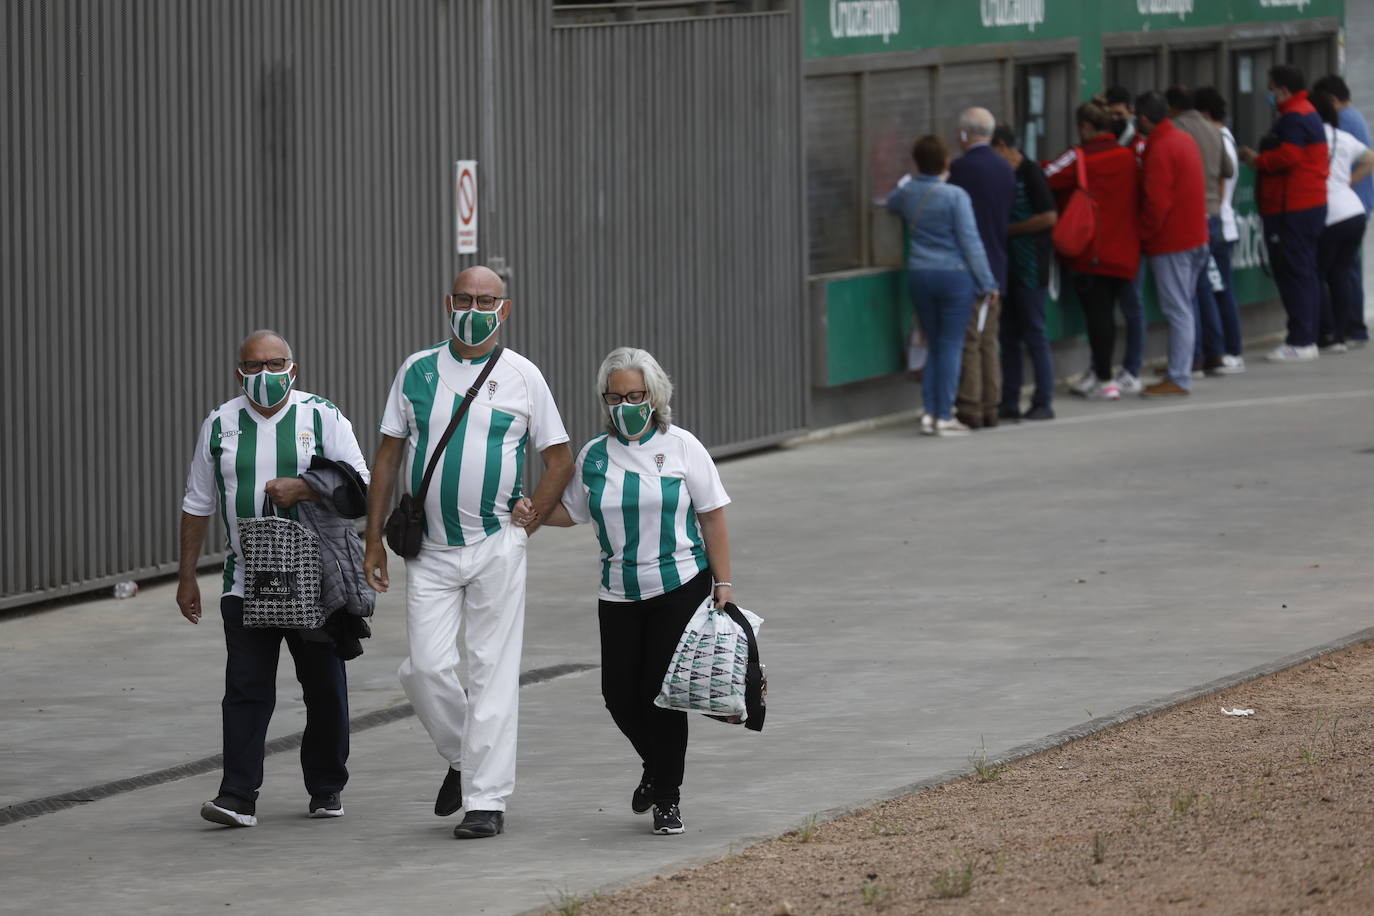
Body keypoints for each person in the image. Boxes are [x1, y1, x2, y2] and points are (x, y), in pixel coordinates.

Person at [363, 265, 574, 839]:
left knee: (491, 673)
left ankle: (487, 800)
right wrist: (372, 539)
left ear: (504, 310)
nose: (474, 309)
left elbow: (559, 456)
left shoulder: (522, 376)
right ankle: (463, 757)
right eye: (464, 298)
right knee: (426, 667)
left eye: (486, 301)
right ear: (447, 302)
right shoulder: (416, 370)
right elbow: (386, 456)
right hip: (427, 549)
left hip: (495, 545)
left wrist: (530, 520)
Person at [520, 347, 734, 836]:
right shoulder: (593, 455)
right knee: (618, 695)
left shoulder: (682, 446)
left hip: (680, 584)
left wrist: (724, 583)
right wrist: (526, 510)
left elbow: (713, 513)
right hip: (618, 591)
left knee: (662, 696)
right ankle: (656, 766)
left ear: (654, 396)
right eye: (614, 396)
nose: (624, 405)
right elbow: (568, 511)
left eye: (635, 395)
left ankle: (667, 797)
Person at [178, 330, 371, 828]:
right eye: (254, 366)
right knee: (245, 688)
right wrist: (186, 577)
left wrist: (305, 488)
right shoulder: (219, 424)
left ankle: (326, 787)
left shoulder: (321, 416)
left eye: (275, 363)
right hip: (245, 581)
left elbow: (362, 486)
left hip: (314, 584)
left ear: (294, 367)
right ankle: (237, 796)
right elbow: (198, 504)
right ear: (238, 371)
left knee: (324, 687)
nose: (265, 375)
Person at [886, 135, 999, 437]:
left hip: (920, 273)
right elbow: (971, 243)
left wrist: (907, 181)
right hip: (954, 276)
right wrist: (988, 282)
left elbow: (891, 202)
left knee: (933, 345)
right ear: (946, 162)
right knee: (951, 346)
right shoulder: (955, 196)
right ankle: (944, 413)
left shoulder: (908, 192)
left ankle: (929, 412)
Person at [1044, 103, 1141, 401]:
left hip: (1092, 251)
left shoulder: (1080, 157)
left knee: (1098, 316)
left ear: (1086, 126)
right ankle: (1103, 373)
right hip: (1125, 250)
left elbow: (1046, 175)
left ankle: (1104, 379)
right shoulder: (1128, 156)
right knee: (1115, 313)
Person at [1239, 65, 1329, 363]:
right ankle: (1306, 337)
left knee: (1295, 272)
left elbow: (1290, 155)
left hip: (1293, 206)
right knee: (1305, 272)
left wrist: (1258, 159)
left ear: (1283, 90)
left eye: (1271, 87)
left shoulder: (1294, 117)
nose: (1269, 93)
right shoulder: (1306, 111)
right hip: (1308, 203)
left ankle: (1301, 340)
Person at [1135, 90, 1209, 397]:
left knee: (1178, 310)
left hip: (1172, 242)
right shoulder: (1182, 139)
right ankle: (1180, 368)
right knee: (1185, 308)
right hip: (1195, 236)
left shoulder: (1160, 147)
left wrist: (1141, 234)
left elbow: (1157, 202)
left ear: (1142, 118)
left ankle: (1179, 377)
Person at [948, 107, 1017, 429]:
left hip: (969, 267)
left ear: (964, 135)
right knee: (989, 339)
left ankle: (970, 405)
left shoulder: (961, 170)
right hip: (998, 262)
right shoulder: (1006, 168)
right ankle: (992, 404)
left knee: (969, 341)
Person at [991, 124, 1058, 421]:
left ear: (1004, 147)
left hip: (1031, 265)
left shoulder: (1030, 173)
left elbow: (1048, 217)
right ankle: (1010, 399)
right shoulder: (999, 176)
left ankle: (1043, 399)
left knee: (1034, 332)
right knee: (1008, 335)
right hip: (1007, 267)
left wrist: (1009, 231)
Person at [1167, 86, 1235, 375]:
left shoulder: (1174, 130)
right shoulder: (1212, 130)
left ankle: (1192, 358)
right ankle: (1214, 353)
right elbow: (1228, 170)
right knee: (1206, 286)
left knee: (1188, 291)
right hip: (1213, 214)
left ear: (1172, 108)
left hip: (1189, 216)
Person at [1311, 89, 1374, 353]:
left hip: (1329, 215)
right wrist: (1348, 182)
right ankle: (1344, 332)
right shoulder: (1343, 137)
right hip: (1353, 211)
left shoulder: (1311, 139)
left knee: (1318, 274)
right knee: (1341, 274)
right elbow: (1370, 158)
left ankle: (1327, 333)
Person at [1194, 87, 1247, 374]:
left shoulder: (1219, 140)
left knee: (1220, 290)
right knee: (1217, 289)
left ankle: (1230, 350)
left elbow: (1220, 183)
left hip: (1218, 225)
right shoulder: (1223, 138)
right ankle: (1224, 349)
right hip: (1220, 224)